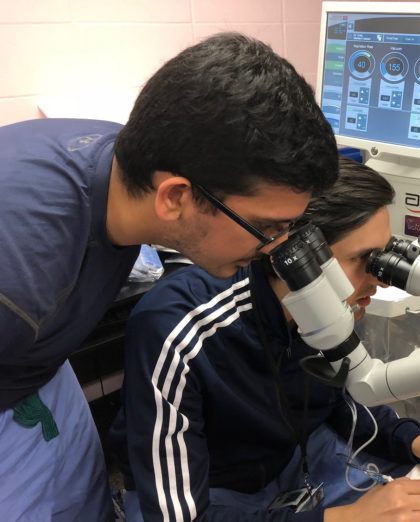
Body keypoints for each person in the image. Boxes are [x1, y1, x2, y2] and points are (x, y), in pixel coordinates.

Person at [0, 32, 337, 521]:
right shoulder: (22, 266)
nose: (275, 248)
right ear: (176, 197)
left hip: (37, 368)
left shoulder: (126, 167)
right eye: (265, 228)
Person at [110, 158, 420, 521]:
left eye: (383, 257)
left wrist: (414, 441)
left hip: (295, 459)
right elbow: (180, 517)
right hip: (208, 493)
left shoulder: (325, 309)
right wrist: (342, 519)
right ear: (298, 257)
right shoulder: (177, 330)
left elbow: (339, 399)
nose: (381, 279)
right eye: (365, 260)